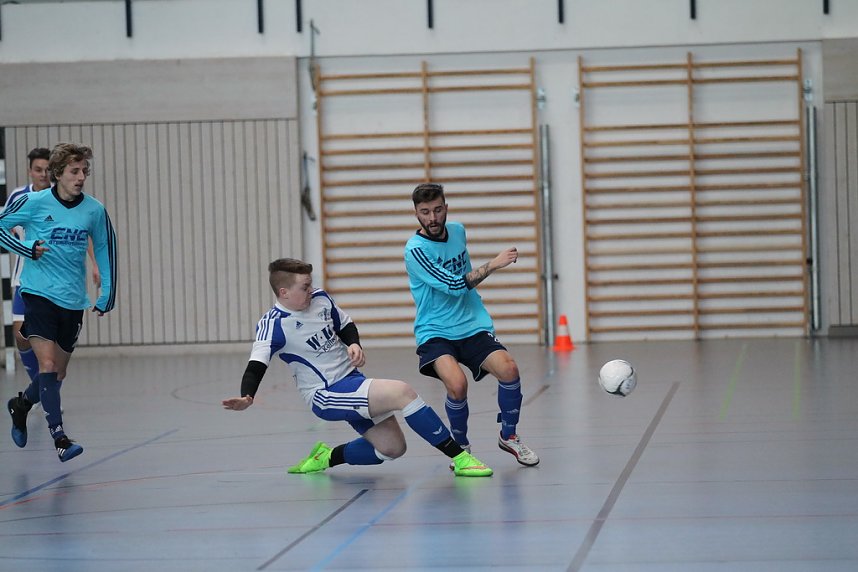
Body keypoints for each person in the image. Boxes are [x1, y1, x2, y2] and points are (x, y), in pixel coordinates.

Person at [222, 258, 493, 477]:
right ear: (284, 292)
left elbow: (345, 325)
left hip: (352, 380)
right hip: (326, 393)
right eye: (304, 286)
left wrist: (353, 343)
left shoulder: (320, 299)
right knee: (403, 392)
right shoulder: (273, 324)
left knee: (392, 448)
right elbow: (256, 364)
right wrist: (248, 396)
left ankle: (325, 457)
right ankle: (460, 458)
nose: (311, 289)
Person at [405, 183, 539, 467]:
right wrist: (494, 264)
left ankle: (509, 436)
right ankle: (461, 448)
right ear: (416, 214)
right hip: (435, 330)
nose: (432, 218)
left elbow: (463, 277)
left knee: (509, 369)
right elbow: (454, 285)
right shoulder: (416, 250)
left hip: (471, 324)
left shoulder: (458, 231)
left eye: (437, 210)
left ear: (446, 208)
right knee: (457, 385)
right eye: (425, 212)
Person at [2, 143, 117, 462]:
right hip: (38, 294)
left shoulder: (94, 210)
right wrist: (26, 248)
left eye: (84, 171)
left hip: (73, 300)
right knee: (48, 366)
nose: (81, 177)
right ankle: (60, 438)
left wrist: (107, 294)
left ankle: (21, 405)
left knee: (58, 373)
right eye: (74, 171)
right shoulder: (34, 202)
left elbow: (105, 249)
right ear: (57, 174)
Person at [4, 147, 101, 385]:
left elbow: (84, 232)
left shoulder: (65, 198)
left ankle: (44, 388)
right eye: (38, 170)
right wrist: (24, 245)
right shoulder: (21, 197)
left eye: (47, 170)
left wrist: (95, 263)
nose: (43, 174)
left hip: (60, 282)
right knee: (21, 334)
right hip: (27, 276)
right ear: (30, 171)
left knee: (53, 356)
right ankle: (38, 384)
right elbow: (5, 226)